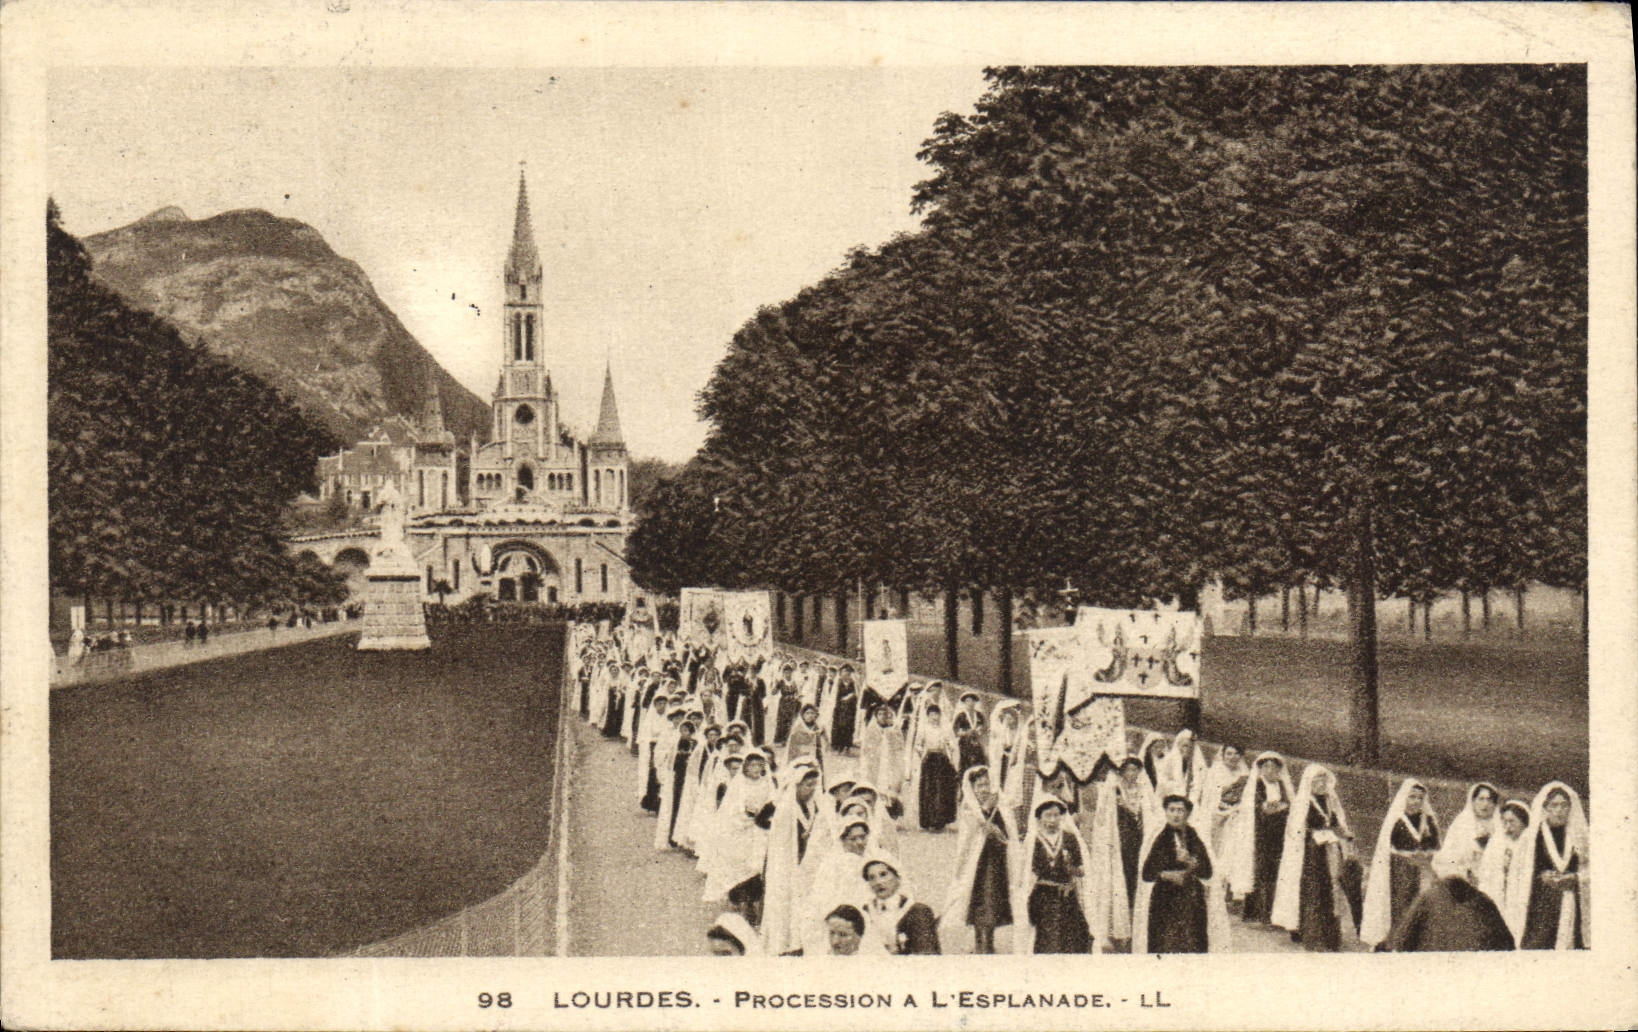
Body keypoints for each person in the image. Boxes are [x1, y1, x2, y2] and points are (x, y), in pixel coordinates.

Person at [1271, 764, 1358, 952]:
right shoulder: (1303, 802)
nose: (1321, 783)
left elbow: (1334, 821)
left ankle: (1329, 936)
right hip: (1310, 853)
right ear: (1309, 782)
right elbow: (1296, 829)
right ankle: (1312, 934)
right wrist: (1311, 834)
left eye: (1323, 779)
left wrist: (1345, 833)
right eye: (1317, 780)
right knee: (1314, 890)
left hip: (1329, 849)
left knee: (1330, 890)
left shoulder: (1329, 801)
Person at [1134, 795, 1228, 954]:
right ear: (1165, 812)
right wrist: (1165, 875)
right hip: (1164, 900)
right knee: (1165, 946)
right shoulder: (1159, 837)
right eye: (1171, 810)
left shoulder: (1194, 836)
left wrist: (1190, 860)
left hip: (1190, 900)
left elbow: (1207, 872)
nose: (1176, 815)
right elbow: (1146, 874)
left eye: (1180, 810)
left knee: (1192, 944)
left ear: (1187, 814)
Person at [939, 766, 1017, 954]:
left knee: (992, 901)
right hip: (976, 863)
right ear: (971, 788)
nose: (983, 789)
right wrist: (985, 810)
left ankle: (987, 941)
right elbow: (969, 834)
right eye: (979, 785)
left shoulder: (1001, 804)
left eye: (986, 784)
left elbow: (1010, 829)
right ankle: (979, 942)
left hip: (995, 861)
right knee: (978, 902)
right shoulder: (969, 807)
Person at [1505, 781, 1588, 950]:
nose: (1559, 810)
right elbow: (1519, 875)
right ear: (1545, 808)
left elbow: (1591, 868)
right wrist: (1540, 877)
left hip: (1571, 902)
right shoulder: (1531, 837)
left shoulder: (1579, 837)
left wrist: (1576, 878)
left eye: (1564, 805)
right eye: (1554, 805)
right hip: (1540, 908)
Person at [1088, 755, 1159, 951]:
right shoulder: (1113, 788)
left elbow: (1152, 810)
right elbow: (1104, 815)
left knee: (1137, 877)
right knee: (1123, 879)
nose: (1131, 774)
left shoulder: (1144, 789)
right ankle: (1119, 926)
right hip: (1121, 837)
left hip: (1138, 836)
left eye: (1135, 770)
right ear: (1121, 771)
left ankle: (1136, 924)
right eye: (1128, 769)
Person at [1361, 778, 1442, 949]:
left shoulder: (1427, 821)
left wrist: (1427, 854)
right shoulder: (1397, 821)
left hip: (1423, 869)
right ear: (1404, 798)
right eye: (1412, 797)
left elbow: (1435, 845)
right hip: (1401, 871)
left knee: (1422, 904)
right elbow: (1387, 849)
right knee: (1402, 905)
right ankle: (1398, 941)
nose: (1416, 801)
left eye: (1420, 798)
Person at [763, 763, 828, 956]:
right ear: (797, 785)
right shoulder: (785, 808)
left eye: (814, 786)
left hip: (807, 863)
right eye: (807, 785)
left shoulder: (814, 806)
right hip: (788, 864)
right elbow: (780, 840)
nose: (811, 790)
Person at [1024, 798, 1091, 953]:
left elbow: (1082, 871)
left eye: (1056, 815)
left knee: (1074, 940)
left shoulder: (1069, 838)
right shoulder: (1033, 841)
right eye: (1048, 815)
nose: (1053, 820)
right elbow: (1026, 873)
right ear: (1039, 818)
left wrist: (1071, 868)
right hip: (1044, 898)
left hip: (1067, 896)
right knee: (1049, 941)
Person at [1234, 752, 1293, 923]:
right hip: (1261, 832)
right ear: (1260, 769)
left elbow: (1288, 804)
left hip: (1279, 832)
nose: (1270, 770)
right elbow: (1258, 807)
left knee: (1277, 869)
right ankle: (1258, 911)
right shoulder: (1257, 785)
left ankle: (1273, 911)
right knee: (1262, 869)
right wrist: (1273, 808)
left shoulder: (1282, 785)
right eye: (1266, 766)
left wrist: (1277, 808)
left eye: (1273, 767)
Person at [862, 855, 940, 954]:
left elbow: (926, 954)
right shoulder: (865, 912)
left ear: (898, 877)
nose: (878, 882)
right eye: (871, 878)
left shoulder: (917, 911)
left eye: (883, 874)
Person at [1433, 782, 1499, 884]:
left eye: (1489, 800)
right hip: (1463, 873)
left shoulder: (1499, 825)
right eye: (1481, 799)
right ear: (1473, 801)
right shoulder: (1462, 822)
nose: (1485, 804)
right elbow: (1449, 853)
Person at [914, 704, 961, 831]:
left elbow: (950, 742)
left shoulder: (944, 729)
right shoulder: (924, 729)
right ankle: (929, 820)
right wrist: (920, 751)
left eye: (936, 715)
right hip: (929, 760)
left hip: (941, 759)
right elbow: (918, 743)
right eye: (931, 715)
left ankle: (940, 820)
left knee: (942, 789)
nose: (934, 717)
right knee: (929, 790)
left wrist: (950, 745)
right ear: (928, 716)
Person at [1477, 799, 1531, 908]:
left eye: (1512, 821)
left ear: (1524, 823)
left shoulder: (1530, 844)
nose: (1507, 826)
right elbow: (1485, 873)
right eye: (1505, 821)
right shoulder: (1496, 842)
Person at [785, 704, 827, 770]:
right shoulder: (797, 729)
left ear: (815, 715)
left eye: (812, 713)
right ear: (803, 716)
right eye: (807, 713)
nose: (810, 715)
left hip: (815, 756)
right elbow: (792, 747)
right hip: (800, 756)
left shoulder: (819, 727)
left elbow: (825, 742)